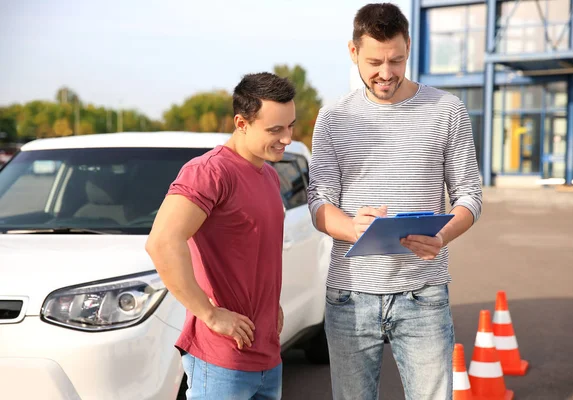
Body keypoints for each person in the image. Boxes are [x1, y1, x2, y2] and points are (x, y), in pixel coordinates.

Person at [307, 3, 483, 400]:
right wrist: (350, 226)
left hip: (424, 293)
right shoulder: (333, 116)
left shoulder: (447, 110)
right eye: (373, 62)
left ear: (408, 49)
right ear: (352, 52)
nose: (385, 73)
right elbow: (319, 200)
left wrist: (443, 235)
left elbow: (470, 194)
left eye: (396, 60)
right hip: (350, 297)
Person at [146, 72, 296, 400]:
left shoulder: (269, 175)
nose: (287, 138)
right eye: (275, 130)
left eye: (290, 126)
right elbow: (161, 242)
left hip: (268, 355)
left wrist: (271, 306)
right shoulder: (210, 172)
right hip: (222, 360)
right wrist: (210, 314)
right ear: (241, 123)